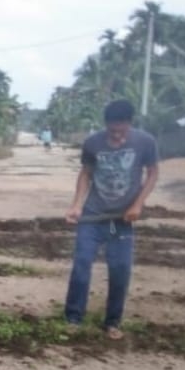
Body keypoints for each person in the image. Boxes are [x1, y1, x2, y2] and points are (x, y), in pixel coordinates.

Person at [63, 99, 159, 340]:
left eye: (121, 130)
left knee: (120, 268)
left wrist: (138, 204)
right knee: (82, 264)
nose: (116, 136)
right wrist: (76, 205)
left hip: (119, 221)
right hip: (93, 217)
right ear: (106, 124)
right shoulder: (93, 142)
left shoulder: (145, 142)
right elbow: (86, 173)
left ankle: (112, 322)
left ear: (129, 124)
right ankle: (73, 318)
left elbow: (153, 173)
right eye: (112, 130)